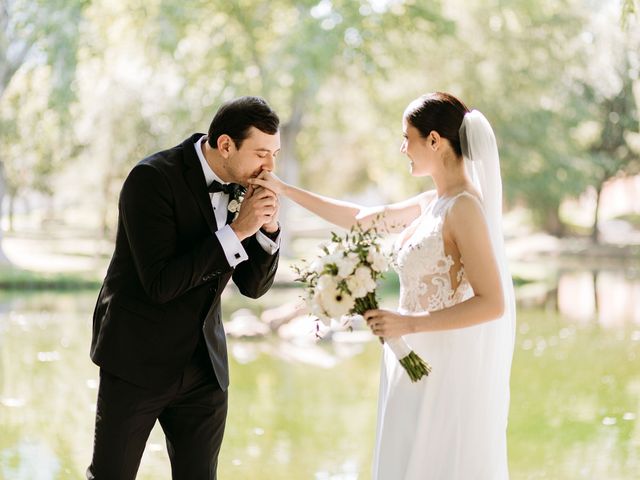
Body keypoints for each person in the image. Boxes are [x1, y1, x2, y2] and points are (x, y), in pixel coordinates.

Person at [250, 92, 516, 479]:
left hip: (442, 367)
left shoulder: (465, 209)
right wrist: (286, 190)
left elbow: (493, 303)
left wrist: (408, 323)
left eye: (407, 137)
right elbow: (361, 218)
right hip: (408, 358)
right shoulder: (433, 203)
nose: (402, 148)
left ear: (435, 141)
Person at [87, 96, 282, 479]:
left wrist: (268, 230)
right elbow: (160, 284)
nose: (270, 167)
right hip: (136, 360)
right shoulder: (151, 179)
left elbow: (253, 287)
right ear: (226, 144)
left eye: (274, 154)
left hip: (205, 369)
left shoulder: (243, 185)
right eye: (262, 153)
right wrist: (238, 230)